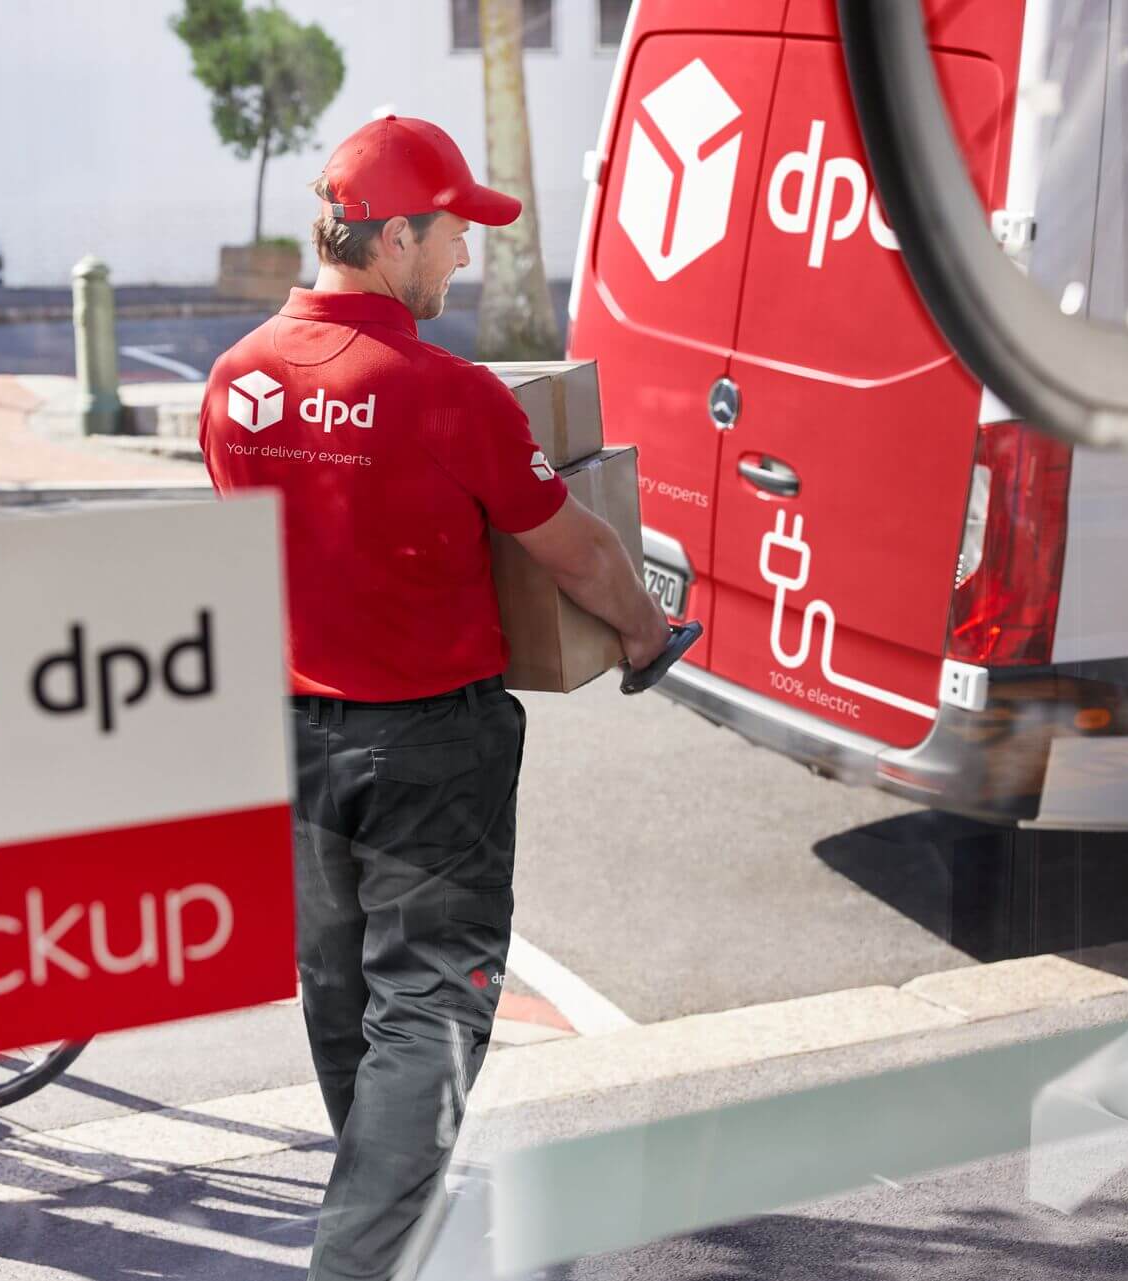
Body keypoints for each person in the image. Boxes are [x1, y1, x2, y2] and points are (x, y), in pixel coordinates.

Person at [198, 115, 668, 1281]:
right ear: (394, 238)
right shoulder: (448, 395)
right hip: (431, 754)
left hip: (295, 742)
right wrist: (649, 631)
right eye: (453, 234)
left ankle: (384, 1229)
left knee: (345, 1003)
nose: (463, 259)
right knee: (430, 1015)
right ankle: (358, 1262)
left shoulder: (235, 381)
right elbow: (583, 557)